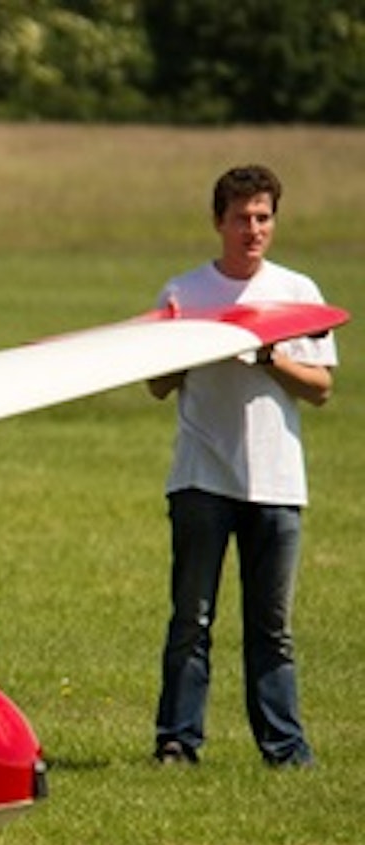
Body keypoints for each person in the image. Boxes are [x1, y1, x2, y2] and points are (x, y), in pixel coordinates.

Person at [146, 165, 337, 768]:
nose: (253, 230)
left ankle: (284, 748)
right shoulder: (185, 291)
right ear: (218, 222)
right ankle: (178, 741)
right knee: (191, 620)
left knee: (271, 628)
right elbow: (156, 384)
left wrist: (268, 359)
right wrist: (186, 343)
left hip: (276, 481)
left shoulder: (299, 292)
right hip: (202, 476)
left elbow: (320, 388)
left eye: (263, 218)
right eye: (241, 218)